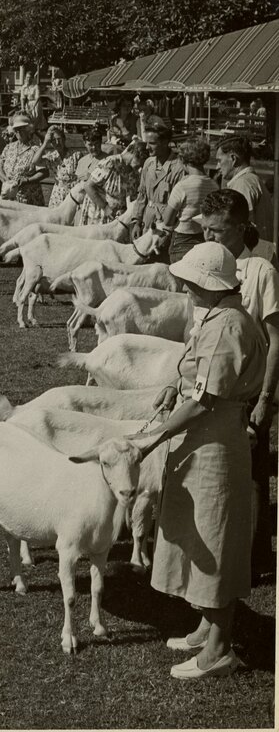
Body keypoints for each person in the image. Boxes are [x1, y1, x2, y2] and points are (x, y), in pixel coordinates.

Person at [128, 241, 266, 680]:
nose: (186, 290)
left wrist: (154, 437)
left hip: (214, 443)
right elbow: (196, 374)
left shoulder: (228, 327)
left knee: (215, 539)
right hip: (201, 440)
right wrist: (174, 384)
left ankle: (219, 650)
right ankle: (207, 626)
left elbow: (206, 400)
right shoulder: (217, 318)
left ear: (210, 285)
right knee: (197, 532)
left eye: (191, 284)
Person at [196, 189, 279, 580]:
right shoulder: (203, 265)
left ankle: (253, 556)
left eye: (219, 231)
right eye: (206, 230)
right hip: (208, 389)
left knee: (251, 476)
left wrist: (266, 398)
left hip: (247, 392)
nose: (210, 238)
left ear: (242, 228)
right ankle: (221, 551)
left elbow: (275, 339)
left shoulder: (260, 271)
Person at [160, 139, 217, 263]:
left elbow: (167, 220)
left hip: (182, 240)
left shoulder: (182, 186)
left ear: (183, 161)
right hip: (204, 238)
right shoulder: (214, 185)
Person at [76, 142, 146, 225]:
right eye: (141, 162)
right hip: (98, 214)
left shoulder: (134, 173)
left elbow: (131, 197)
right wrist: (105, 207)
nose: (140, 167)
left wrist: (124, 209)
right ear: (134, 154)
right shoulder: (110, 163)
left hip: (118, 218)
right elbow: (88, 186)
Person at [135, 120, 186, 233]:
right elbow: (142, 195)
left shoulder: (178, 168)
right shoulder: (148, 163)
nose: (147, 147)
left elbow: (178, 205)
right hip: (146, 221)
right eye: (146, 143)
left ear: (165, 142)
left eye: (152, 143)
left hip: (165, 225)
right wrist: (137, 222)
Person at [216, 135, 273, 237]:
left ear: (233, 159)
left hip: (252, 250)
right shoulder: (250, 180)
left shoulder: (243, 184)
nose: (217, 166)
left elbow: (242, 226)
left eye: (219, 161)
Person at [0, 112, 46, 205]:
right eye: (16, 129)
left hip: (28, 198)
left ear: (28, 130)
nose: (18, 132)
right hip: (8, 197)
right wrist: (6, 180)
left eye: (21, 129)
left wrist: (27, 180)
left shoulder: (35, 149)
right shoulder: (9, 147)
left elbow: (44, 172)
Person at [32, 126, 81, 208]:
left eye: (59, 139)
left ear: (64, 139)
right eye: (53, 141)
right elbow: (35, 161)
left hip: (73, 194)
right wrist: (45, 143)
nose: (57, 143)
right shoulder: (52, 157)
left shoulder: (76, 155)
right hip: (57, 195)